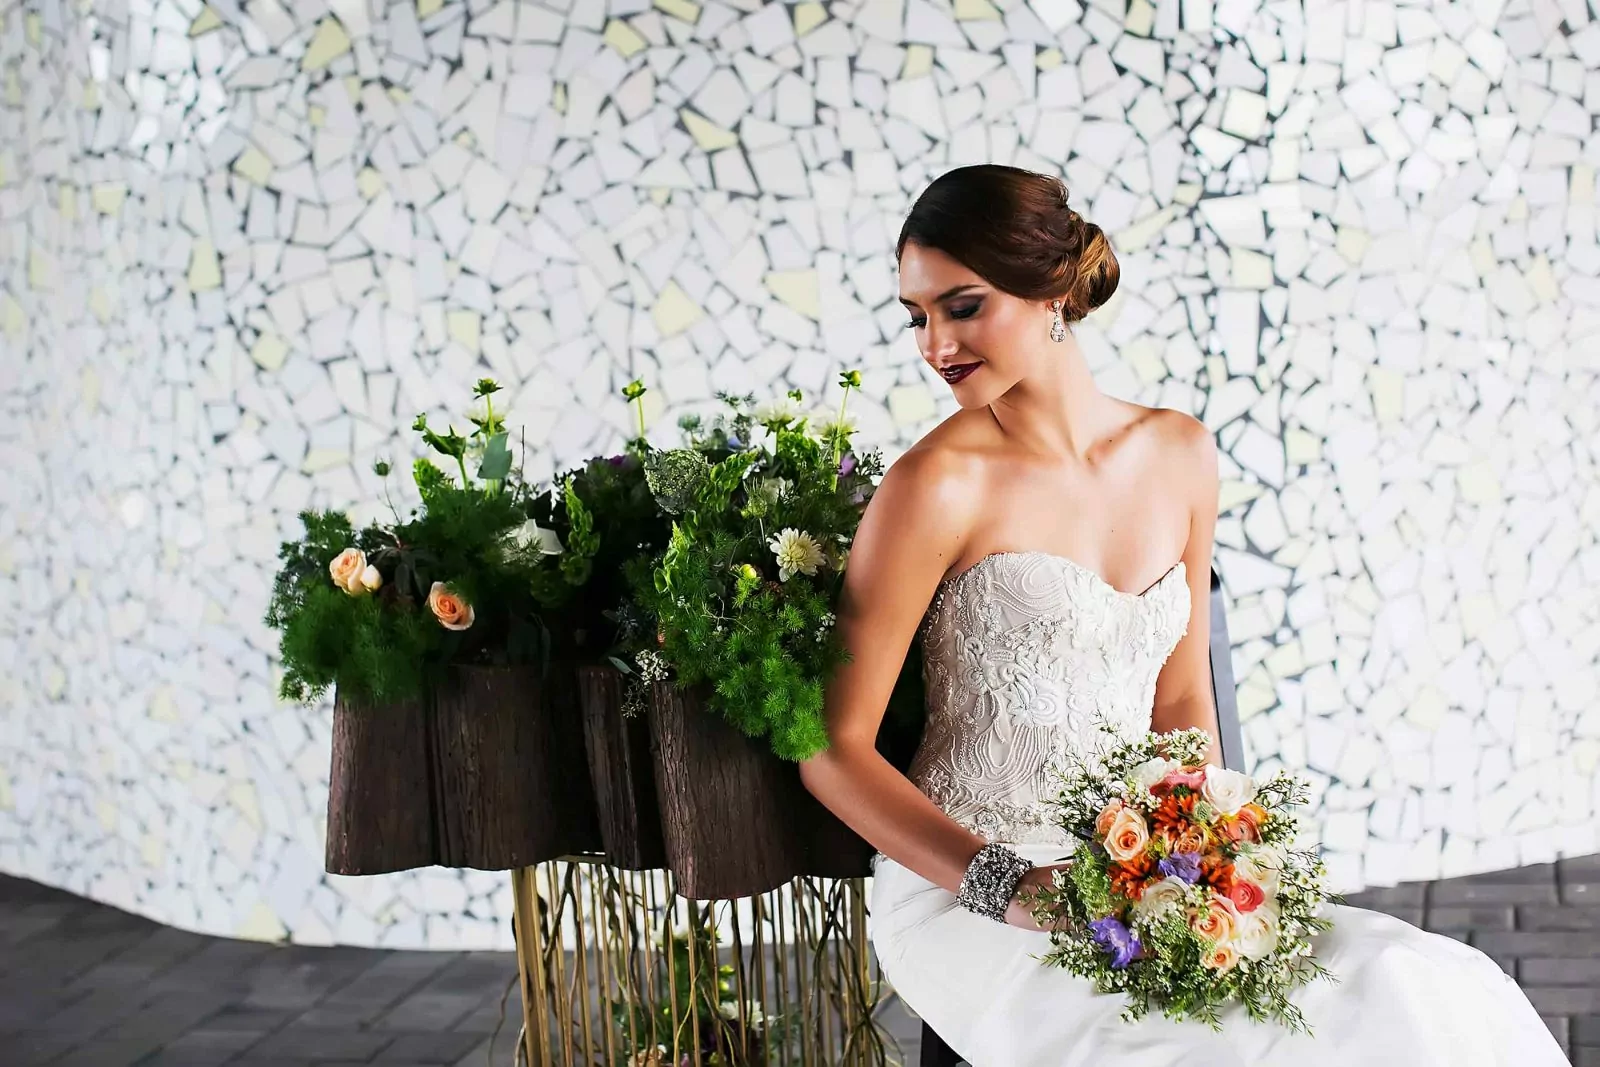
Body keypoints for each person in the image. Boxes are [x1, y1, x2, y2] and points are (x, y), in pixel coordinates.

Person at [796, 164, 1565, 1066]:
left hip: (1138, 873)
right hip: (971, 886)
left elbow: (1178, 702)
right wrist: (1011, 886)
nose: (934, 345)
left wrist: (1202, 860)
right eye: (916, 316)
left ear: (1051, 292)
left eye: (960, 307)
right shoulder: (935, 483)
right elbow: (830, 748)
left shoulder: (1178, 453)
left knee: (1421, 987)